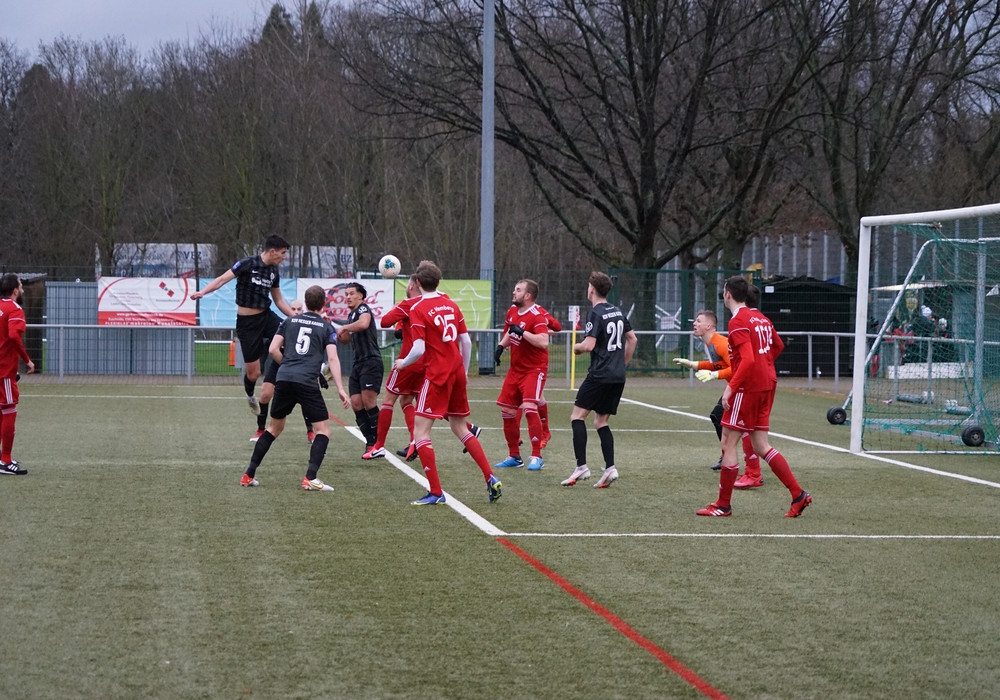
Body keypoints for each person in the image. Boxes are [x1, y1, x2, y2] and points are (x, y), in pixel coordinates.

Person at [696, 275, 812, 518]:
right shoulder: (761, 318)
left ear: (728, 294)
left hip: (748, 387)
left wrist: (731, 388)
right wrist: (764, 365)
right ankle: (798, 494)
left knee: (728, 442)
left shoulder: (738, 320)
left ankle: (723, 505)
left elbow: (748, 359)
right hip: (767, 384)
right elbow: (778, 346)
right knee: (760, 444)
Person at [392, 260, 501, 505]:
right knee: (460, 428)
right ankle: (491, 477)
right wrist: (464, 371)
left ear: (417, 283)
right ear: (439, 282)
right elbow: (466, 342)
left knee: (421, 432)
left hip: (437, 375)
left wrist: (402, 363)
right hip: (456, 372)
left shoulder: (418, 308)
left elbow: (418, 349)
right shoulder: (451, 304)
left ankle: (435, 492)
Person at [240, 285, 349, 491]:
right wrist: (341, 389)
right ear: (323, 304)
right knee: (323, 430)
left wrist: (288, 366)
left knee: (273, 428)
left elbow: (273, 349)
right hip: (307, 381)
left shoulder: (288, 321)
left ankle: (248, 475)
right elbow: (333, 358)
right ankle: (310, 478)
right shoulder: (326, 327)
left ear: (305, 303)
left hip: (284, 378)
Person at [190, 234, 293, 435]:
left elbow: (279, 301)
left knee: (292, 333)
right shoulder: (247, 264)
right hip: (247, 324)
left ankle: (313, 370)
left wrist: (297, 317)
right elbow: (221, 280)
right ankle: (249, 395)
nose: (284, 257)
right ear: (272, 251)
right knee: (254, 373)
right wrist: (203, 292)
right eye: (282, 253)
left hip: (267, 316)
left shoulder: (274, 271)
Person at [561, 271, 637, 488]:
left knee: (577, 417)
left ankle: (581, 467)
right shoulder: (617, 311)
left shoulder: (595, 313)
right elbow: (632, 339)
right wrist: (621, 364)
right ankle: (610, 468)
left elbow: (588, 345)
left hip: (600, 374)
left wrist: (576, 348)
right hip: (617, 376)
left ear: (592, 289)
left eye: (588, 286)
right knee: (601, 422)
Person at [674, 306, 762, 488]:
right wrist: (693, 364)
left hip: (743, 388)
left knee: (738, 425)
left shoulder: (720, 343)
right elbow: (719, 364)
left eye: (698, 321)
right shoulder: (712, 343)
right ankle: (731, 459)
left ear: (709, 326)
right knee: (720, 417)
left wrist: (714, 375)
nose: (694, 324)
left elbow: (735, 368)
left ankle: (743, 465)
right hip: (736, 388)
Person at [493, 279, 552, 471]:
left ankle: (536, 456)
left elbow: (543, 341)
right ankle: (514, 456)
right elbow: (511, 332)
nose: (513, 292)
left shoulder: (537, 315)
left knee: (529, 407)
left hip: (534, 369)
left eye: (518, 290)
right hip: (515, 369)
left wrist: (523, 332)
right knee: (507, 411)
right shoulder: (512, 311)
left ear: (527, 296)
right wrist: (501, 346)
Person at [372, 275, 424, 461]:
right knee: (408, 400)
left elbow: (385, 322)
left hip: (408, 361)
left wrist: (397, 308)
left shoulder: (408, 304)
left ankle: (379, 446)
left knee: (388, 400)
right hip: (428, 362)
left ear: (411, 286)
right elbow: (400, 332)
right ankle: (414, 441)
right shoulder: (435, 302)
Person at [254, 298, 321, 443]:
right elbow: (270, 346)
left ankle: (310, 432)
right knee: (265, 395)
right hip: (281, 364)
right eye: (293, 309)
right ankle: (260, 430)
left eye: (298, 309)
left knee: (305, 399)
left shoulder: (309, 327)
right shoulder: (283, 325)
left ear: (303, 310)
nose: (295, 312)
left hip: (300, 367)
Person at [338, 282, 385, 459]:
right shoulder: (351, 315)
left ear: (361, 296)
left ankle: (379, 444)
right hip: (358, 364)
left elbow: (364, 324)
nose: (348, 297)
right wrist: (338, 331)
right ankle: (370, 442)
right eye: (346, 294)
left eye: (351, 293)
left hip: (371, 361)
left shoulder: (363, 309)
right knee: (356, 404)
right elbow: (345, 340)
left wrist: (345, 327)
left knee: (369, 402)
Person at [0, 274, 33, 475]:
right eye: (20, 286)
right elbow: (13, 335)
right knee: (9, 410)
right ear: (14, 290)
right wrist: (27, 360)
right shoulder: (14, 309)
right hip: (4, 371)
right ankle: (5, 461)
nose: (22, 289)